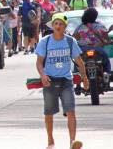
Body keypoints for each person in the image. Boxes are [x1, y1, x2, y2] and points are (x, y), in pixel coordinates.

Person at [35, 13, 89, 149]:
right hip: (49, 81)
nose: (58, 26)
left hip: (66, 81)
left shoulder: (70, 41)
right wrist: (42, 75)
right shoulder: (45, 42)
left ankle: (72, 141)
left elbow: (80, 62)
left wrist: (85, 79)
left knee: (71, 111)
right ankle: (50, 141)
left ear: (65, 27)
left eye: (61, 24)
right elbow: (39, 63)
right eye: (56, 24)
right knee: (49, 113)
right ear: (52, 26)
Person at [73, 8, 112, 75]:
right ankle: (107, 74)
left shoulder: (79, 27)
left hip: (82, 50)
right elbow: (106, 38)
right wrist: (109, 41)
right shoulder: (100, 26)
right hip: (97, 49)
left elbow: (74, 39)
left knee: (77, 62)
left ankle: (77, 76)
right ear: (95, 17)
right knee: (106, 61)